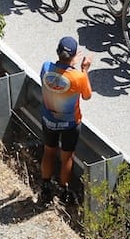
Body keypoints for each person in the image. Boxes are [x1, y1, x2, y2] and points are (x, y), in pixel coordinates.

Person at [38, 36, 93, 202]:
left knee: (49, 151)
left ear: (57, 52)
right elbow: (87, 96)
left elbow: (59, 73)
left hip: (49, 119)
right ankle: (63, 190)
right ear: (75, 56)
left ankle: (46, 187)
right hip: (70, 123)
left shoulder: (46, 68)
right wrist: (85, 70)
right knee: (67, 157)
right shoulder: (78, 77)